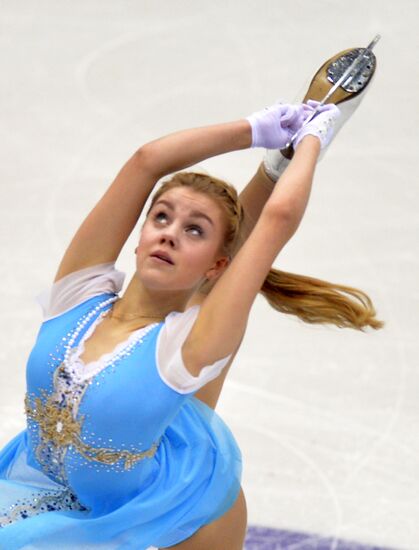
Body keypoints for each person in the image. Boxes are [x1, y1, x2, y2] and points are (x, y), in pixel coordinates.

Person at [0, 47, 383, 550]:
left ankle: (260, 186)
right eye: (161, 217)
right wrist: (256, 127)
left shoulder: (185, 344)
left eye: (192, 230)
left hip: (172, 510)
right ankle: (267, 171)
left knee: (188, 354)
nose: (169, 234)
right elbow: (147, 162)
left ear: (218, 265)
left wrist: (317, 137)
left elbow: (276, 222)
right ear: (138, 235)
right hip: (43, 492)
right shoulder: (79, 295)